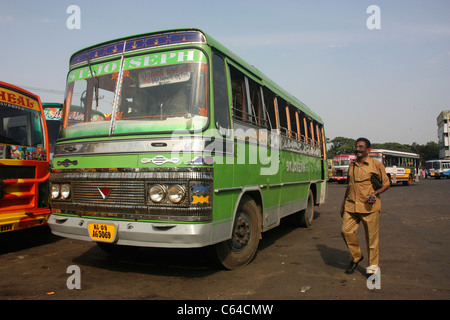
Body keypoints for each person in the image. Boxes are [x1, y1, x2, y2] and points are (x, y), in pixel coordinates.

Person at [340, 137, 390, 275]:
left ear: (368, 150)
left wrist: (375, 193)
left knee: (372, 240)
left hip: (369, 208)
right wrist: (343, 204)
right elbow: (349, 186)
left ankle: (372, 268)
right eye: (357, 147)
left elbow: (386, 183)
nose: (358, 149)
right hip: (351, 207)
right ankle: (357, 256)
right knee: (346, 231)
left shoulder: (376, 165)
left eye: (361, 147)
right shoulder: (352, 165)